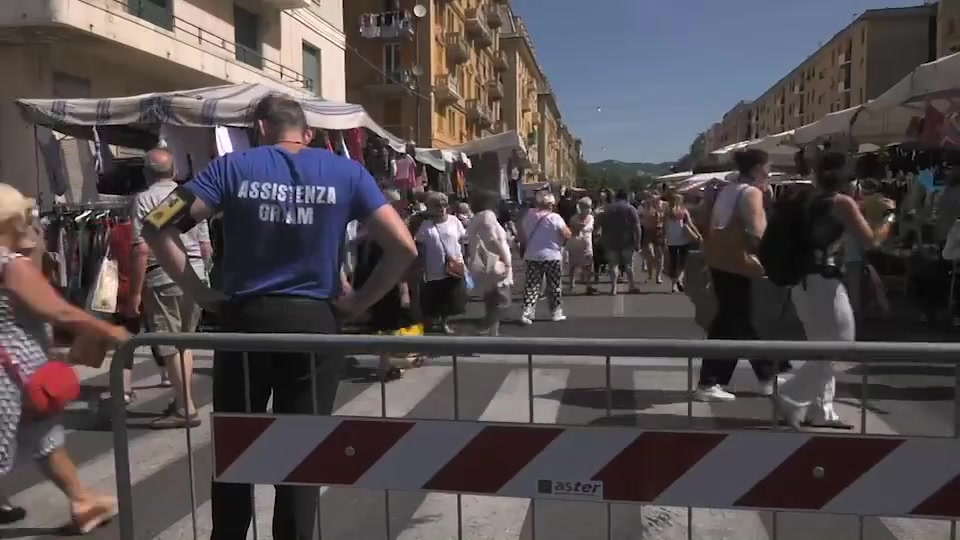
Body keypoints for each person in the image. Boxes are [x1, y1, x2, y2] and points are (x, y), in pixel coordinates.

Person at [140, 95, 416, 539]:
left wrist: (200, 292)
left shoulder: (232, 169)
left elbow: (156, 223)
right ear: (307, 134)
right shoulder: (347, 173)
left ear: (260, 129)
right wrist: (359, 303)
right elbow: (403, 246)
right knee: (303, 451)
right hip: (315, 325)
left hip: (245, 321)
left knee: (236, 446)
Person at [0, 184, 128, 531]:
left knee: (45, 439)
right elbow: (60, 312)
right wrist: (108, 332)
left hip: (15, 375)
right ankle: (81, 499)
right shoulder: (11, 266)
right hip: (13, 375)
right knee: (36, 438)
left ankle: (82, 499)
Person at [774, 153, 895, 429]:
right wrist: (889, 217)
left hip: (802, 281)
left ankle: (822, 411)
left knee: (821, 348)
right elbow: (872, 241)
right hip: (824, 282)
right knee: (840, 344)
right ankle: (791, 393)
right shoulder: (842, 202)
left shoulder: (808, 199)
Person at [126, 148, 211, 429]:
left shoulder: (144, 199)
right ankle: (182, 399)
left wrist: (135, 293)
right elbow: (205, 247)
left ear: (146, 173)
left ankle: (186, 407)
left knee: (170, 344)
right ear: (174, 171)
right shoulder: (191, 195)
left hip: (163, 275)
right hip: (195, 275)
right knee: (184, 341)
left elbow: (141, 249)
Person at [696, 149, 782, 402]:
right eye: (767, 168)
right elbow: (759, 233)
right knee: (732, 321)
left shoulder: (728, 189)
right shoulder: (751, 192)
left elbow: (707, 220)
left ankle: (767, 376)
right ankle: (709, 382)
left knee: (740, 320)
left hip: (720, 261)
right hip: (739, 263)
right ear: (757, 169)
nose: (769, 173)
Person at [415, 192, 468, 335]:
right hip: (434, 267)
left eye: (444, 205)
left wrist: (463, 258)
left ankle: (445, 323)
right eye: (437, 206)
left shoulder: (454, 221)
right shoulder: (426, 225)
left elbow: (462, 240)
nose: (441, 208)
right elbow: (420, 245)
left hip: (454, 264)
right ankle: (432, 321)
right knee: (434, 295)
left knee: (451, 296)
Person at [518, 191, 571, 324]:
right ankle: (556, 312)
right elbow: (567, 234)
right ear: (550, 204)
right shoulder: (555, 218)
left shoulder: (529, 215)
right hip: (552, 256)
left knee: (532, 285)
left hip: (532, 255)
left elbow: (522, 234)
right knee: (554, 285)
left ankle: (527, 312)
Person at [466, 189, 513, 336]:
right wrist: (506, 260)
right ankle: (489, 326)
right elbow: (492, 240)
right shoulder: (488, 216)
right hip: (495, 261)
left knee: (492, 298)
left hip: (486, 262)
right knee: (501, 299)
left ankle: (493, 328)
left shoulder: (476, 218)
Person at [598, 190, 641, 295]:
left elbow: (600, 224)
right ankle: (631, 286)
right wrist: (637, 242)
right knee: (628, 265)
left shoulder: (608, 209)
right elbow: (637, 227)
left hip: (611, 241)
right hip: (627, 241)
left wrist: (603, 238)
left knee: (613, 265)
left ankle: (613, 288)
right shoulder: (631, 209)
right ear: (626, 197)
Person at [664, 193, 694, 292]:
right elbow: (690, 224)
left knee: (673, 263)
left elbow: (664, 227)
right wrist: (697, 234)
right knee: (683, 263)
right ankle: (678, 280)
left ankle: (673, 285)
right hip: (683, 239)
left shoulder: (667, 212)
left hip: (671, 240)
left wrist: (664, 238)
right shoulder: (683, 212)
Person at [567, 197, 596, 294]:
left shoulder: (591, 218)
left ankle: (588, 285)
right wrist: (578, 228)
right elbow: (571, 231)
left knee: (588, 266)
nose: (588, 209)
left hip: (587, 244)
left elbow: (592, 228)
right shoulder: (574, 218)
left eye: (589, 207)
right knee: (573, 265)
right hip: (575, 244)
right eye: (586, 207)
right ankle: (571, 283)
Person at [640, 191, 667, 283]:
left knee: (659, 254)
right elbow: (642, 218)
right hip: (648, 230)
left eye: (656, 197)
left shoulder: (664, 205)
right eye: (652, 197)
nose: (654, 199)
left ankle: (658, 276)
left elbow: (666, 219)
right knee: (649, 254)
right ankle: (650, 274)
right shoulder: (646, 205)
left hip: (659, 230)